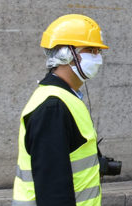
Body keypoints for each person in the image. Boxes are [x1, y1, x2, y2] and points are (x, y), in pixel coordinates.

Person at [14, 14, 111, 206]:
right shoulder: (53, 106)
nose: (98, 58)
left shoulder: (66, 99)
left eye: (99, 51)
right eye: (91, 50)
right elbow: (53, 190)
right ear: (66, 54)